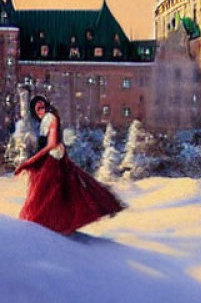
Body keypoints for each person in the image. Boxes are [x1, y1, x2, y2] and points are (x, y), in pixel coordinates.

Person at [14, 94, 125, 235]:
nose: (41, 111)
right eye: (37, 109)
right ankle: (51, 227)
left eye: (42, 107)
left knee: (50, 196)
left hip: (54, 161)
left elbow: (52, 144)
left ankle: (50, 229)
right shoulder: (45, 121)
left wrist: (30, 162)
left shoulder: (50, 118)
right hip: (52, 160)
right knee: (58, 195)